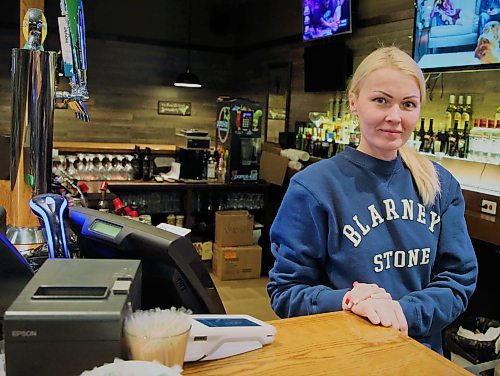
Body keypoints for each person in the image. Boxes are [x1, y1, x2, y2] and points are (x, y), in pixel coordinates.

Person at [267, 46, 478, 354]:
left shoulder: (440, 184)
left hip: (420, 358)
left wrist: (402, 312)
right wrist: (348, 301)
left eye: (408, 104)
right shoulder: (314, 187)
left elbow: (458, 279)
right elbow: (285, 292)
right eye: (381, 100)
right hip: (343, 357)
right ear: (354, 102)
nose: (394, 117)